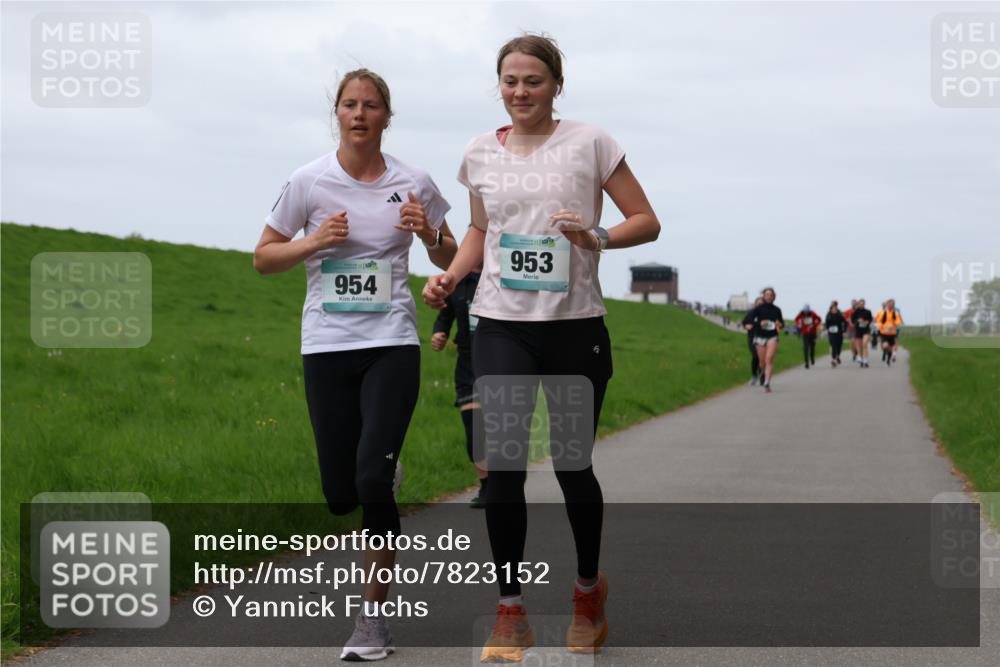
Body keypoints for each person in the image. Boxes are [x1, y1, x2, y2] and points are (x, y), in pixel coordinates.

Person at [422, 34, 660, 662]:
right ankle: (510, 611)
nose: (520, 92)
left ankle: (586, 592)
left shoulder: (591, 142)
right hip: (500, 321)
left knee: (570, 463)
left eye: (533, 81)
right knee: (501, 466)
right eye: (510, 81)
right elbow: (479, 229)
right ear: (498, 86)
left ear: (557, 84)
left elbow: (646, 219)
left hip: (574, 324)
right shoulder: (478, 152)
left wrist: (596, 236)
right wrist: (451, 275)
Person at [253, 68, 457, 661]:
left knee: (371, 483)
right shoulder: (308, 181)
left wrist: (428, 235)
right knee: (342, 494)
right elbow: (263, 258)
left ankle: (372, 621)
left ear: (386, 116)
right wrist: (313, 243)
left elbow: (449, 253)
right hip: (326, 344)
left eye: (371, 105)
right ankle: (378, 478)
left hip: (392, 342)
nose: (360, 114)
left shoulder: (413, 180)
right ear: (337, 114)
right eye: (350, 105)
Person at [430, 262, 487, 507]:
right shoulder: (457, 285)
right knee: (473, 426)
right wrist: (439, 333)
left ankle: (505, 482)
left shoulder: (497, 277)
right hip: (467, 364)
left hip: (500, 361)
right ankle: (487, 486)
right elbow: (445, 316)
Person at [745, 287, 783, 392]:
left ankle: (767, 383)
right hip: (760, 337)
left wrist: (779, 324)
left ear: (773, 297)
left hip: (772, 336)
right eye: (767, 295)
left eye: (771, 295)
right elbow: (748, 320)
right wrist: (759, 323)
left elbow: (781, 323)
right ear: (764, 296)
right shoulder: (758, 309)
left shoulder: (777, 310)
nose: (769, 297)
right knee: (762, 362)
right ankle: (762, 370)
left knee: (769, 359)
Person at [742, 296, 765, 384]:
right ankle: (754, 376)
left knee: (762, 358)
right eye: (758, 304)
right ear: (755, 304)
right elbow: (744, 322)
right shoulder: (751, 313)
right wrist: (746, 326)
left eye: (761, 304)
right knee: (755, 356)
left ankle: (762, 375)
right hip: (752, 337)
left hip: (763, 338)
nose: (759, 305)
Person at [875, 298, 903, 365]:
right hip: (884, 332)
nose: (891, 306)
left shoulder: (895, 313)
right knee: (885, 346)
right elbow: (878, 321)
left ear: (894, 305)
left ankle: (891, 356)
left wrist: (895, 322)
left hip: (892, 332)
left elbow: (899, 322)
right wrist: (880, 325)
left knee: (893, 345)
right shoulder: (882, 313)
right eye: (889, 304)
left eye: (892, 305)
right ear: (887, 305)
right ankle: (888, 353)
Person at [794, 304, 822, 369]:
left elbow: (819, 319)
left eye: (807, 311)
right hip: (805, 333)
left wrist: (815, 324)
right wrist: (799, 324)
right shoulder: (801, 313)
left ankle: (812, 358)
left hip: (813, 333)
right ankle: (806, 363)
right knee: (806, 348)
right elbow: (796, 319)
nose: (806, 313)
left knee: (812, 347)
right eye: (805, 311)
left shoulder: (813, 313)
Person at [850, 299, 874, 368]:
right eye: (860, 304)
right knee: (859, 346)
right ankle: (860, 357)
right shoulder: (855, 312)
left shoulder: (868, 311)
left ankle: (865, 360)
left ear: (864, 304)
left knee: (865, 344)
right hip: (858, 330)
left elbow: (870, 319)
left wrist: (867, 321)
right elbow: (852, 320)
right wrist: (857, 320)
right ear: (858, 304)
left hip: (866, 330)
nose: (861, 305)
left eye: (862, 304)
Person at [824, 301, 848, 367]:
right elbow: (826, 324)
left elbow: (845, 323)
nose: (834, 310)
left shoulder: (839, 314)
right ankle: (834, 359)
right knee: (833, 345)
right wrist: (826, 330)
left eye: (835, 308)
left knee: (839, 346)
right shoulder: (828, 315)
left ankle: (837, 356)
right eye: (833, 309)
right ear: (831, 309)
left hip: (839, 332)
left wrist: (844, 331)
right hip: (831, 333)